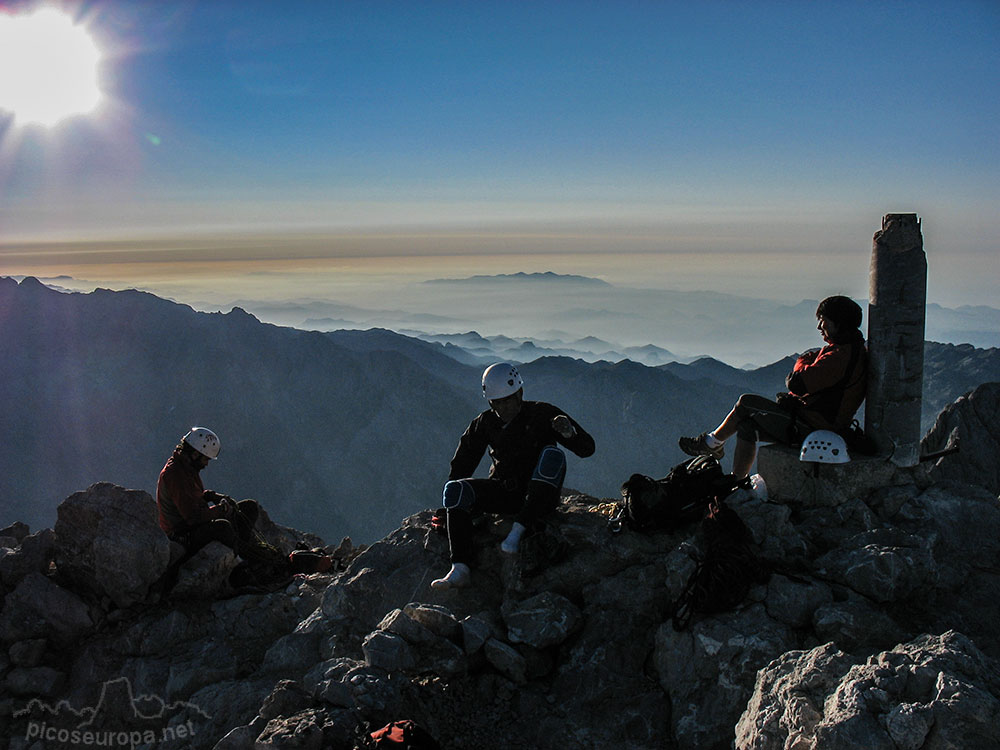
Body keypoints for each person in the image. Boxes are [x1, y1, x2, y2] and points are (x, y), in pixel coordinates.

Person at [431, 363, 595, 590]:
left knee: (552, 455)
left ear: (520, 394)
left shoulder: (544, 414)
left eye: (508, 400)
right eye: (497, 402)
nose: (503, 407)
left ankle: (518, 532)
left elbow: (587, 448)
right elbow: (462, 464)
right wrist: (453, 508)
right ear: (490, 402)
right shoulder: (485, 423)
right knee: (454, 490)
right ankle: (460, 567)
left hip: (540, 497)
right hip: (505, 494)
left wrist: (569, 434)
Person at [678, 295, 868, 478]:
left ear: (839, 323)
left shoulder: (839, 357)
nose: (819, 326)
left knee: (747, 403)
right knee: (747, 426)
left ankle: (711, 444)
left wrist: (802, 361)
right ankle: (736, 480)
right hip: (816, 423)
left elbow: (796, 383)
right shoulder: (848, 349)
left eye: (824, 320)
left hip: (815, 428)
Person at [156, 427, 260, 557]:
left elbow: (191, 495)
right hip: (181, 534)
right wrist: (220, 510)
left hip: (192, 526)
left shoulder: (186, 468)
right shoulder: (175, 475)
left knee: (249, 507)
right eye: (205, 459)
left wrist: (211, 496)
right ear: (195, 455)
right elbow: (193, 517)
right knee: (223, 528)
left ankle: (242, 548)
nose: (206, 464)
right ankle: (245, 556)